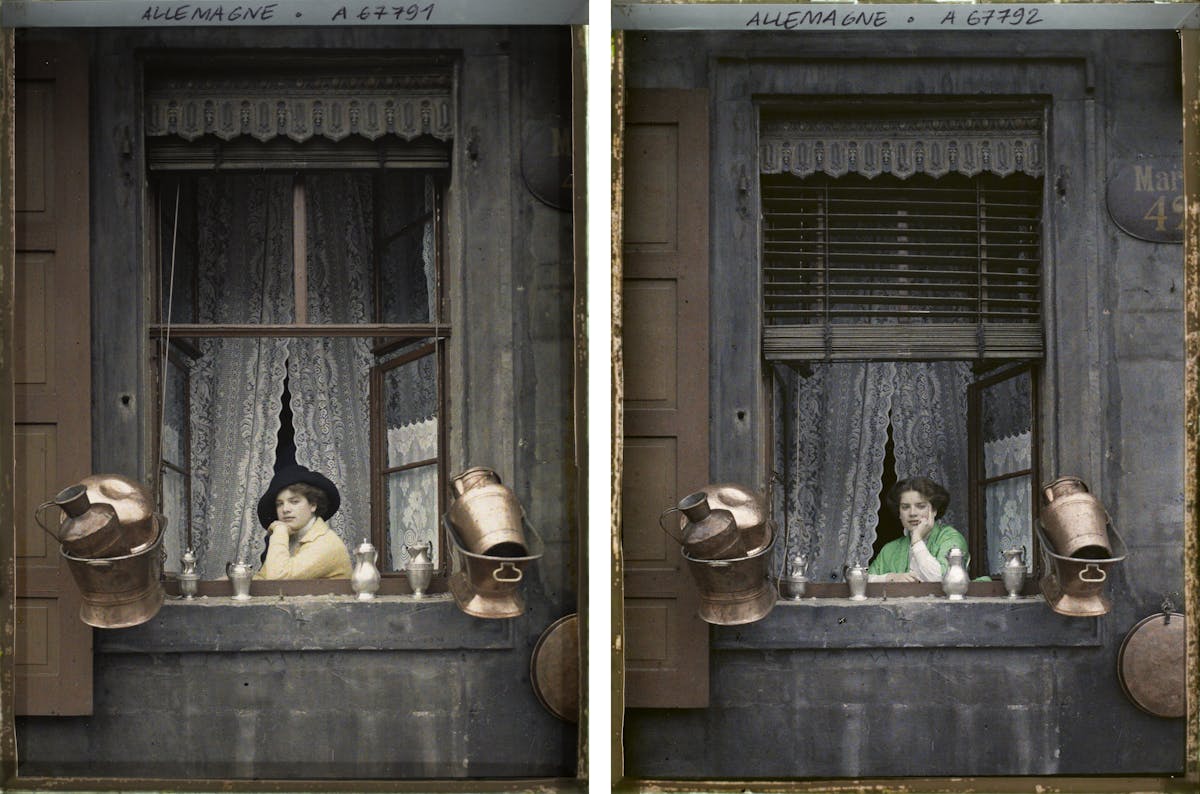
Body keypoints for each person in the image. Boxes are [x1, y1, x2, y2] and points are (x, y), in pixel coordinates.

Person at [254, 464, 352, 580]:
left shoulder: (326, 543)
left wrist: (280, 530)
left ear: (313, 505)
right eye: (279, 504)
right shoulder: (290, 537)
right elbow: (262, 580)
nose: (285, 509)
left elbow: (277, 579)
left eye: (294, 502)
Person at [868, 476, 967, 583]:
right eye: (905, 507)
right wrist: (890, 577)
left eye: (920, 506)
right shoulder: (891, 549)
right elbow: (863, 581)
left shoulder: (951, 539)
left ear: (934, 510)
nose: (912, 513)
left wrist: (917, 540)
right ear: (899, 513)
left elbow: (943, 580)